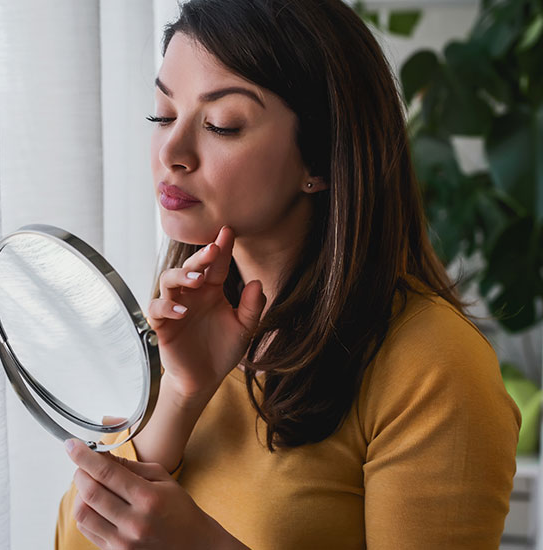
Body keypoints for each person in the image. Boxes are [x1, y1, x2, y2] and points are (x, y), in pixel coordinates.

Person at [56, 0, 521, 548]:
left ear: (320, 162)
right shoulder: (187, 321)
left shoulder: (433, 365)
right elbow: (76, 539)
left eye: (222, 125)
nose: (172, 151)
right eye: (162, 114)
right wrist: (181, 394)